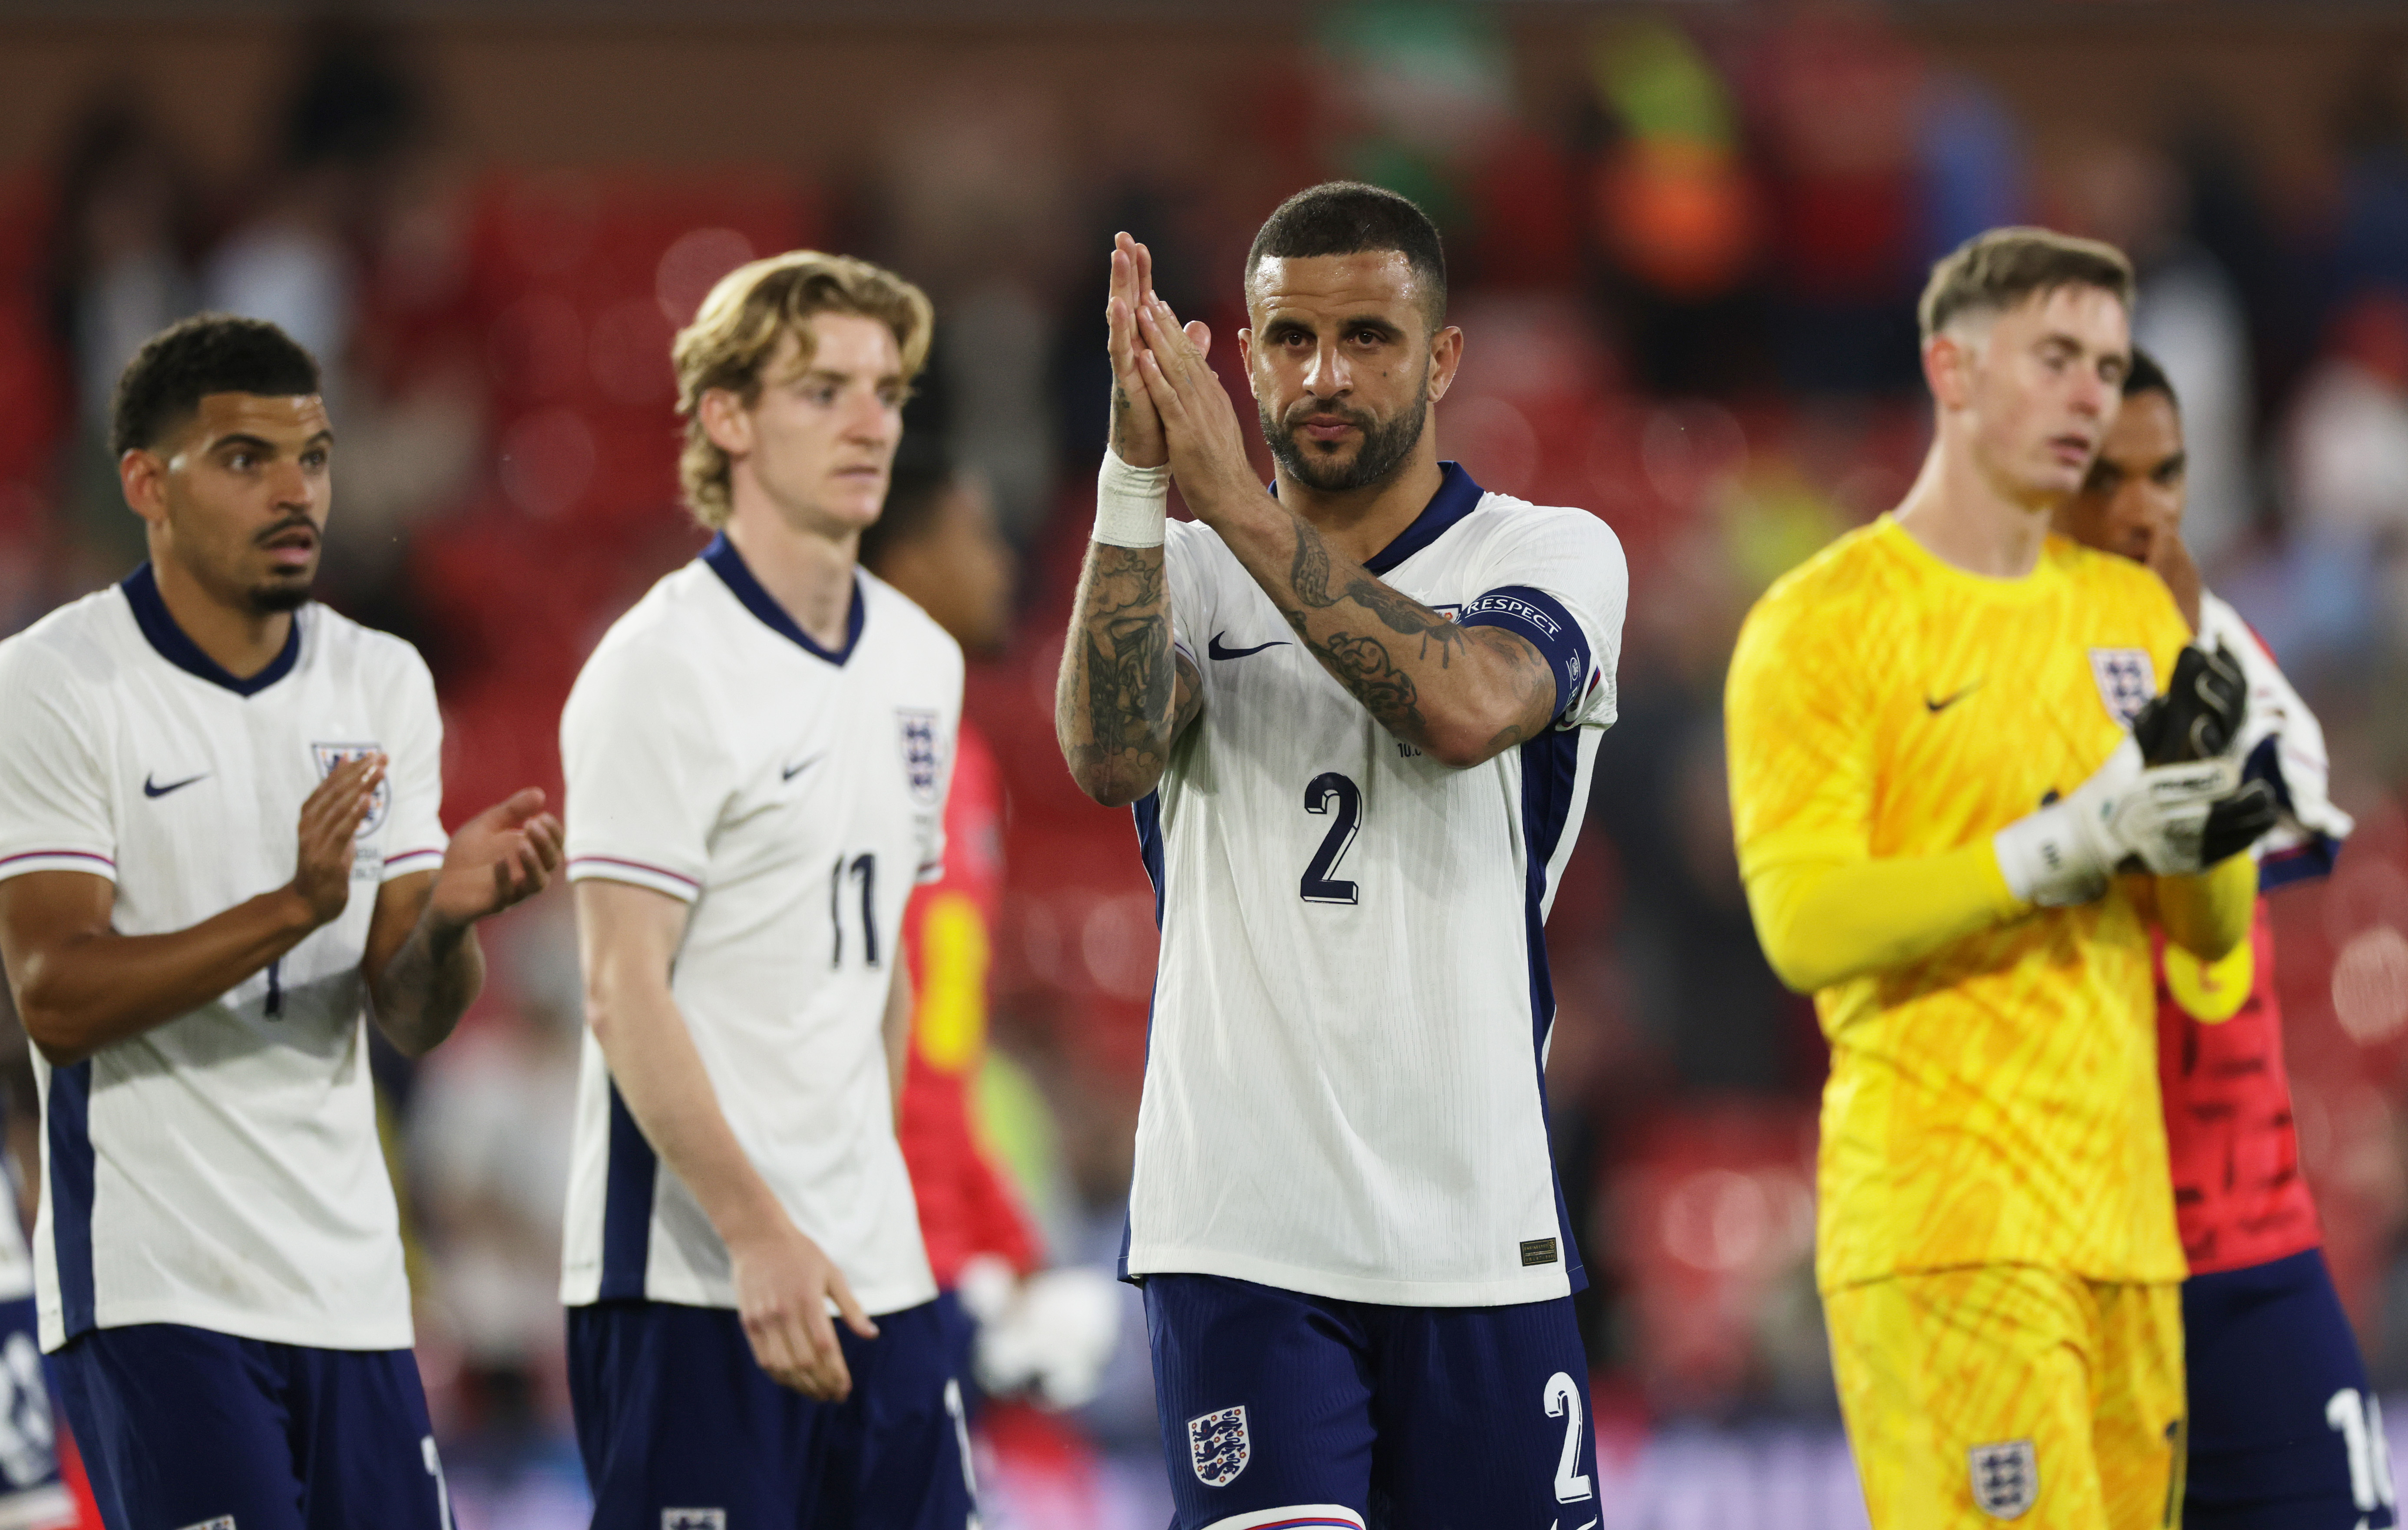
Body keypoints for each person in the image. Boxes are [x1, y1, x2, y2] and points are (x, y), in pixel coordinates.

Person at [1057, 182, 1627, 1526]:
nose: (1325, 374)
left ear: (1441, 360)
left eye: (1369, 337)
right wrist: (1139, 482)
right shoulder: (1181, 569)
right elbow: (1110, 754)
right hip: (1243, 1233)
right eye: (1290, 339)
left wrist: (1230, 507)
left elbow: (1468, 705)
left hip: (1480, 1231)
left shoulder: (1548, 552)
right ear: (1241, 358)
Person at [1726, 228, 2281, 1529]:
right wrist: (2051, 850)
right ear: (1952, 368)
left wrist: (2209, 831)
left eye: (2104, 363)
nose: (2092, 393)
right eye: (2054, 358)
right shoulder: (1825, 620)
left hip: (2130, 1232)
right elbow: (1803, 924)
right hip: (1948, 1221)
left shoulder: (2141, 616)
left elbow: (2210, 934)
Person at [0, 312, 561, 1529]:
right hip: (157, 1289)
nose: (296, 489)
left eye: (312, 456)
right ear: (148, 483)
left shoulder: (382, 680)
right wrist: (293, 908)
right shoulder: (55, 683)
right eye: (247, 459)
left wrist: (452, 923)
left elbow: (409, 1013)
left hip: (352, 1289)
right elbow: (53, 993)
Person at [559, 252, 976, 1527]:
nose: (870, 422)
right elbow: (622, 985)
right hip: (696, 1280)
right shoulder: (662, 666)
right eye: (822, 390)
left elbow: (891, 967)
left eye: (887, 390)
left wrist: (868, 1191)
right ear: (728, 418)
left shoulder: (922, 659)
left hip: (878, 1276)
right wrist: (755, 1230)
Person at [2057, 349, 2390, 1529]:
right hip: (2059, 1260)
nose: (2146, 507)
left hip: (2245, 1236)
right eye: (2108, 475)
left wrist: (2181, 674)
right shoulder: (1942, 669)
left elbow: (2298, 813)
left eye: (2169, 473)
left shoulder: (2221, 637)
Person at [857, 450, 1121, 1416]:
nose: (1004, 562)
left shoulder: (963, 760)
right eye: (974, 535)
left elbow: (942, 1053)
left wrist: (1010, 1252)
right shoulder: (839, 739)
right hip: (855, 1256)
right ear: (903, 560)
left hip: (926, 1257)